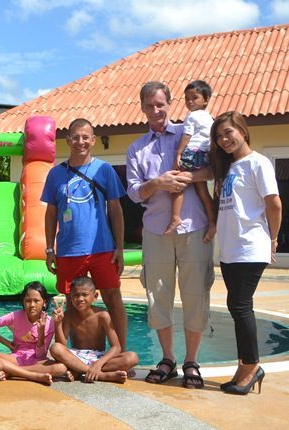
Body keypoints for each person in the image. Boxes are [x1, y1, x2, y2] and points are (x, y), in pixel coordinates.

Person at [126, 81, 215, 389]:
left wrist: (188, 176)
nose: (156, 110)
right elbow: (134, 193)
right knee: (158, 296)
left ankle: (191, 361)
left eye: (160, 104)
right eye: (150, 105)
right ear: (142, 108)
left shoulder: (189, 131)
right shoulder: (136, 148)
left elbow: (213, 169)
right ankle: (167, 358)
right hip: (155, 230)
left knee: (196, 295)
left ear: (170, 104)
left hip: (194, 227)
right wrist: (158, 183)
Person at [41, 118, 129, 350]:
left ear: (93, 140)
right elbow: (50, 214)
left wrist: (120, 248)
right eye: (76, 137)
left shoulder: (104, 170)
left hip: (102, 248)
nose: (80, 142)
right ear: (68, 140)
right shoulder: (55, 174)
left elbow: (116, 210)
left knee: (113, 299)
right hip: (68, 250)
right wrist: (49, 249)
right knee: (73, 304)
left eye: (85, 137)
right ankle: (75, 355)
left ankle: (121, 352)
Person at [210, 111, 282, 395]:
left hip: (250, 246)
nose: (224, 139)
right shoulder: (229, 167)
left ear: (242, 130)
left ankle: (251, 366)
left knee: (240, 306)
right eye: (219, 136)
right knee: (236, 306)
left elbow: (274, 203)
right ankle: (245, 366)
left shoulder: (258, 163)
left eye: (228, 132)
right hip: (230, 248)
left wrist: (273, 238)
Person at [50, 277, 139, 383]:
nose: (80, 299)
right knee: (55, 348)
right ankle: (102, 375)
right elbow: (61, 345)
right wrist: (58, 323)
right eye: (76, 295)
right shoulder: (68, 315)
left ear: (95, 296)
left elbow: (116, 347)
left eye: (85, 294)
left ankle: (79, 371)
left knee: (132, 357)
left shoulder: (102, 316)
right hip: (76, 357)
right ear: (71, 297)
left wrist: (98, 364)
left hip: (98, 358)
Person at [166, 80, 216, 240]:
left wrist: (178, 153)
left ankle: (175, 217)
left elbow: (187, 135)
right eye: (187, 98)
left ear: (206, 100)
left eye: (194, 98)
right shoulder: (210, 118)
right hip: (204, 155)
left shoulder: (192, 116)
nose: (190, 102)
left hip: (191, 153)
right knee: (202, 191)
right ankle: (212, 222)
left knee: (176, 183)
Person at [0, 282, 68, 385]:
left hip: (37, 362)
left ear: (44, 302)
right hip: (16, 358)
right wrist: (6, 343)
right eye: (28, 301)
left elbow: (40, 355)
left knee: (61, 368)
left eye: (36, 301)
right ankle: (19, 371)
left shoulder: (49, 322)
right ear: (23, 302)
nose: (32, 305)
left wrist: (41, 333)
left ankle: (12, 371)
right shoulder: (15, 316)